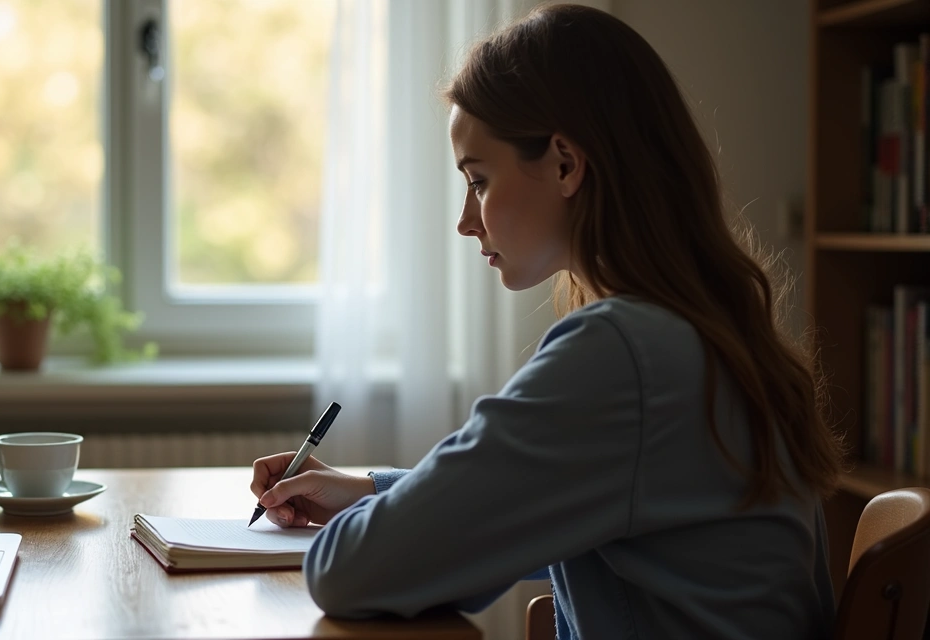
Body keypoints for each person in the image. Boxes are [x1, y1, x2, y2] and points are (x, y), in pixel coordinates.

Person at [249, 3, 840, 639]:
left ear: (564, 163)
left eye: (478, 180)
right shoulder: (707, 334)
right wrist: (371, 490)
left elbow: (350, 573)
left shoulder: (622, 356)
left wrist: (378, 521)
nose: (466, 221)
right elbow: (560, 505)